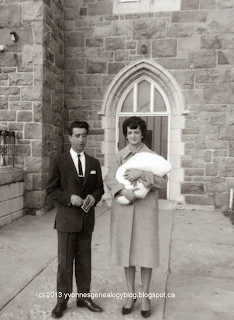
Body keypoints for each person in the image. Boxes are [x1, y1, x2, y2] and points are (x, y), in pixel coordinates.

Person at [104, 116, 167, 318]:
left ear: (142, 134)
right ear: (126, 134)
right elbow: (109, 178)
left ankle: (146, 296)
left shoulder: (152, 156)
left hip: (145, 211)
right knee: (128, 255)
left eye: (136, 132)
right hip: (124, 210)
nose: (133, 136)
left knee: (146, 254)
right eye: (129, 132)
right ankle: (131, 294)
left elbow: (162, 182)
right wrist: (123, 192)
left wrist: (141, 173)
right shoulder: (119, 156)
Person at [46, 121, 104, 319]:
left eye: (84, 135)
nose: (81, 139)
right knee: (64, 263)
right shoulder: (59, 161)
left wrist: (94, 197)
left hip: (86, 221)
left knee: (84, 262)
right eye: (77, 136)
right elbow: (51, 190)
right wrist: (68, 198)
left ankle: (84, 297)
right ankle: (61, 301)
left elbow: (100, 188)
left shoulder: (94, 163)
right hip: (66, 221)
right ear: (70, 138)